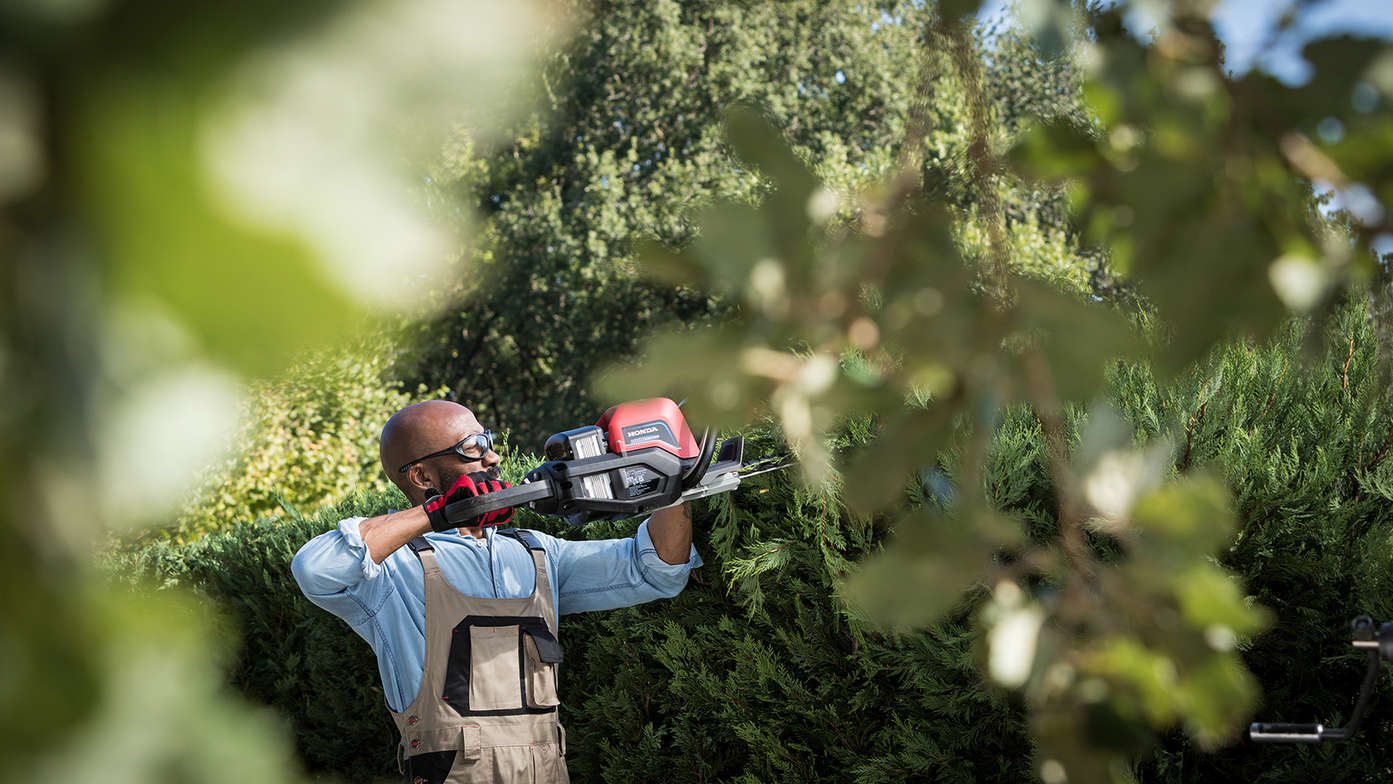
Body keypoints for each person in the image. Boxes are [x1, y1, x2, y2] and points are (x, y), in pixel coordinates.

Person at [291, 400, 701, 784]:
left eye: (488, 441)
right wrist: (436, 513)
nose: (493, 457)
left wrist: (670, 483)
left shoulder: (536, 553)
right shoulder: (389, 572)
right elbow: (315, 569)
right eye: (473, 447)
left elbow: (656, 570)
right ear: (422, 477)